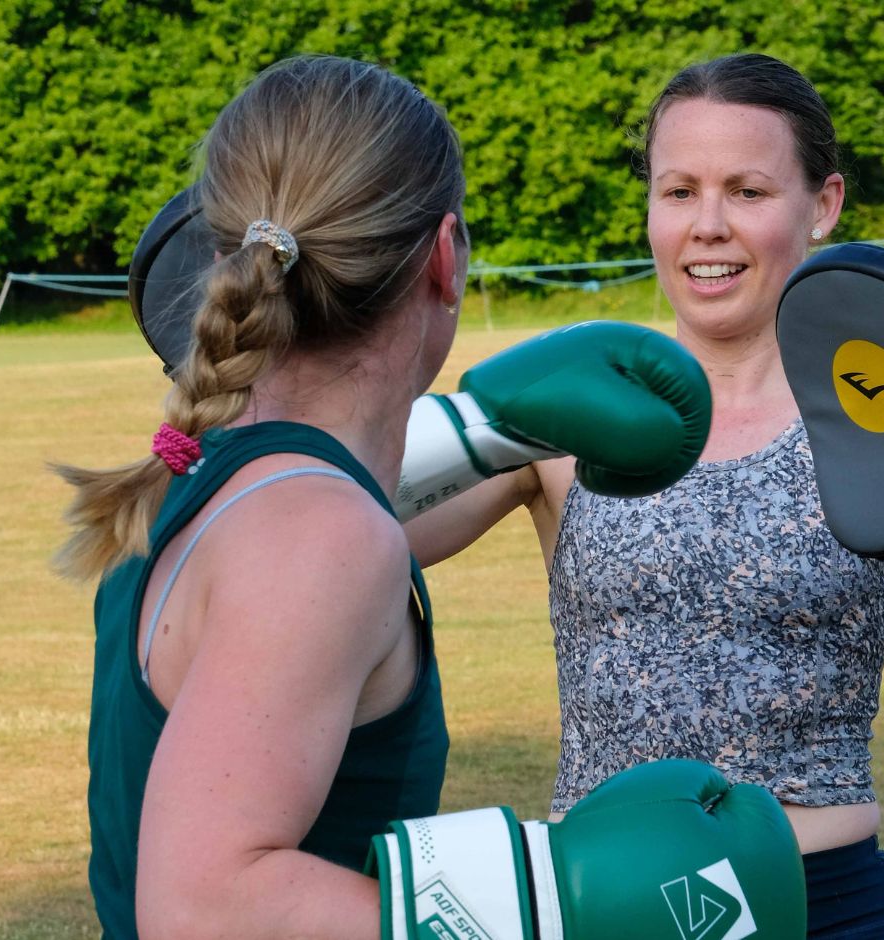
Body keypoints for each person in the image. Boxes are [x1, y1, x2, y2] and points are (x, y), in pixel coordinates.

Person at [55, 54, 806, 940]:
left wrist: (496, 429)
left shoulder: (203, 471)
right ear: (446, 258)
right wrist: (555, 905)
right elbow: (202, 907)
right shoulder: (320, 536)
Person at [404, 52, 884, 939]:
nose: (708, 226)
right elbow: (365, 533)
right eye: (678, 191)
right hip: (604, 901)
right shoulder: (588, 394)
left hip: (829, 903)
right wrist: (473, 422)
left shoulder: (881, 411)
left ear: (824, 204)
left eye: (750, 192)